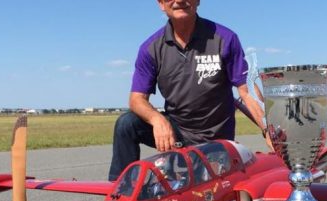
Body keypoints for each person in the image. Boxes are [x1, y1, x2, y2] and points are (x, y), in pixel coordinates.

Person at [109, 0, 267, 181]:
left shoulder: (224, 38)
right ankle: (116, 194)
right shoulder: (150, 48)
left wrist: (268, 130)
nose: (179, 1)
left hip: (216, 140)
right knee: (126, 124)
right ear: (161, 4)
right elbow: (136, 99)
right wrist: (157, 119)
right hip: (177, 134)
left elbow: (246, 91)